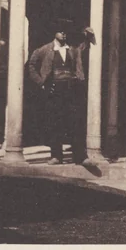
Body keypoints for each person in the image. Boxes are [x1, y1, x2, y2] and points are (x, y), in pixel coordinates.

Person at [26, 19, 92, 165]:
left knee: (75, 123)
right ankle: (56, 156)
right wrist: (41, 82)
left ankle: (80, 157)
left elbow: (84, 47)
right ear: (54, 33)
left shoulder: (73, 50)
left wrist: (87, 35)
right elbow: (31, 65)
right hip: (54, 90)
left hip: (71, 90)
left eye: (65, 32)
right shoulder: (45, 50)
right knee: (55, 123)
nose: (63, 34)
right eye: (60, 31)